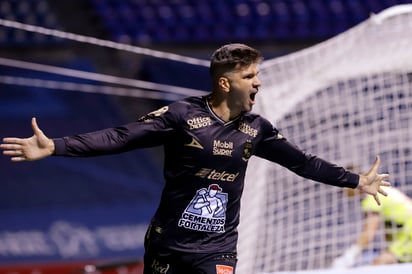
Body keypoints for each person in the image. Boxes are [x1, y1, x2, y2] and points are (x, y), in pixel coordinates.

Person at [0, 43, 390, 274]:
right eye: (250, 76)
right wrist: (55, 146)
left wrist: (356, 181)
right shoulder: (182, 116)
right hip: (167, 244)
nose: (259, 83)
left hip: (217, 248)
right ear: (225, 82)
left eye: (258, 75)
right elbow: (120, 137)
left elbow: (303, 162)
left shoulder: (258, 128)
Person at [332, 165, 412, 268]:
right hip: (404, 237)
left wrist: (348, 256)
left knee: (375, 267)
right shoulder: (380, 189)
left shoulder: (371, 197)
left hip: (408, 239)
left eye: (343, 185)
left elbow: (369, 234)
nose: (342, 191)